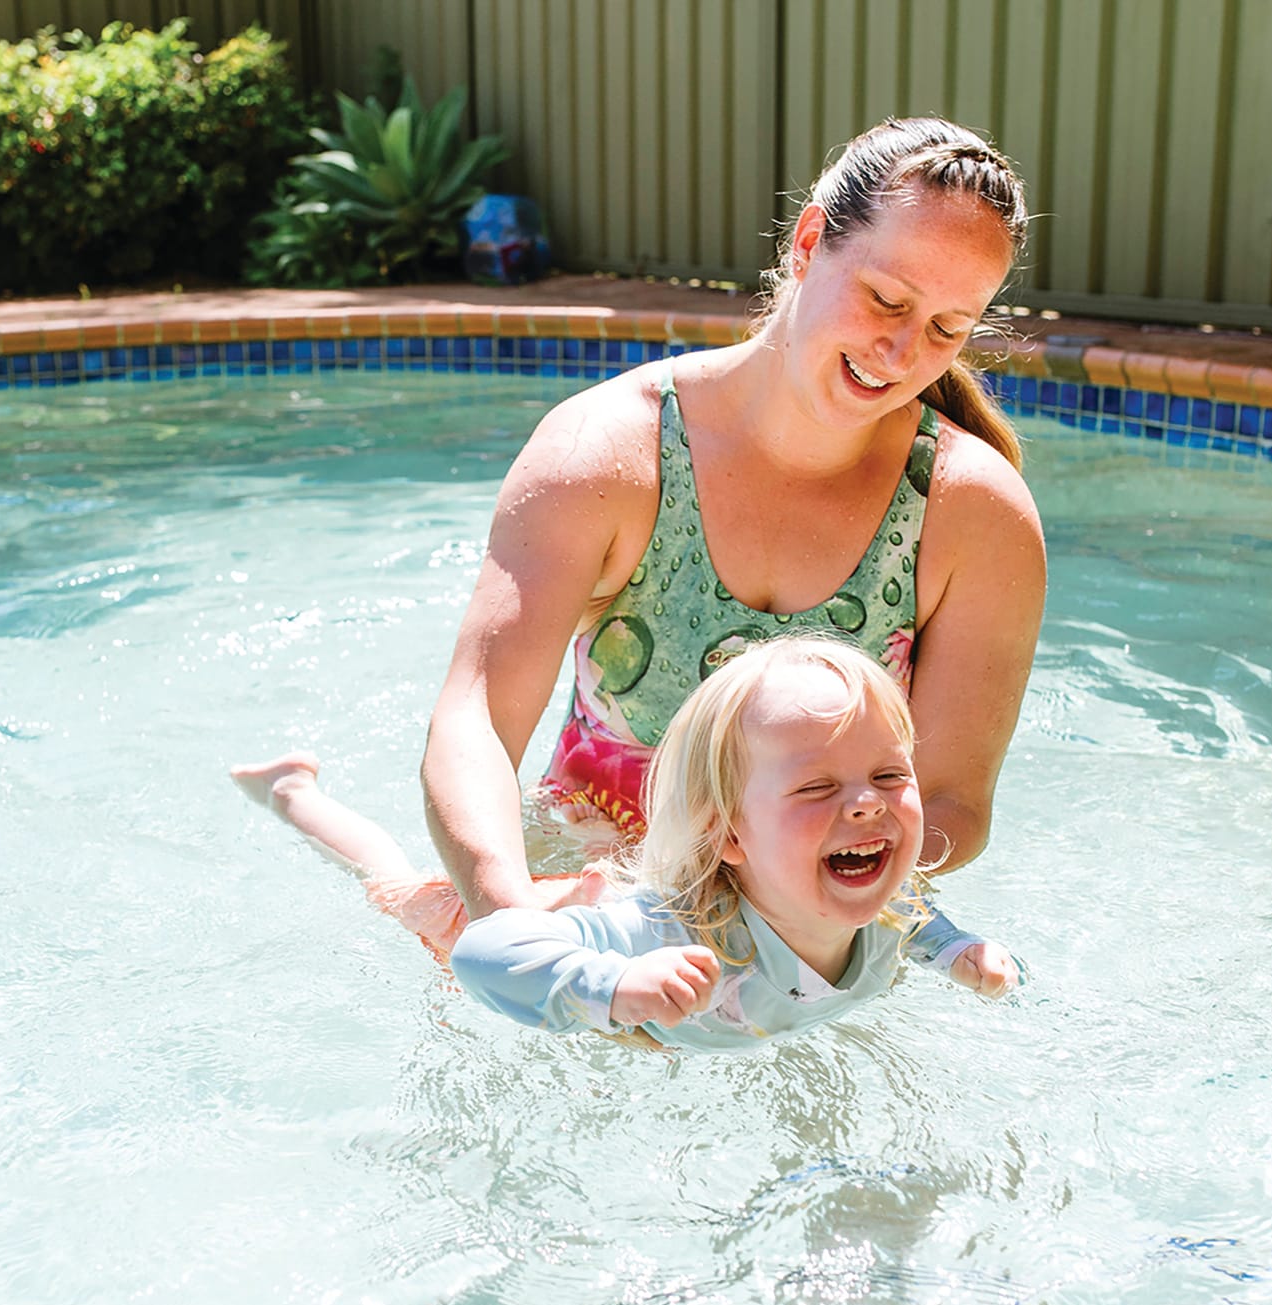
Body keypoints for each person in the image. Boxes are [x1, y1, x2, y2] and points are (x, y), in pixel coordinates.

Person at [420, 117, 1046, 936]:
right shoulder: (607, 455)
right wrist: (508, 911)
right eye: (886, 299)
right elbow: (475, 718)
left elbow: (954, 800)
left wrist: (783, 901)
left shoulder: (976, 514)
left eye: (945, 329)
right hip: (587, 909)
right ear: (809, 242)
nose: (899, 351)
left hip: (816, 936)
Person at [231, 638, 1020, 1049]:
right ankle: (294, 794)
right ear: (728, 833)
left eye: (889, 774)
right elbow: (483, 953)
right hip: (557, 921)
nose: (866, 803)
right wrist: (610, 985)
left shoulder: (887, 902)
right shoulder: (666, 938)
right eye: (817, 787)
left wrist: (959, 952)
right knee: (400, 891)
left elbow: (916, 919)